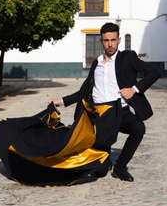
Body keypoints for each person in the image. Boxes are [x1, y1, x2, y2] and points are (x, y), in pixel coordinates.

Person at [53, 22, 160, 182]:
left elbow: (154, 72)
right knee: (99, 171)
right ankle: (102, 159)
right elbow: (85, 90)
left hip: (120, 112)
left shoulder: (127, 57)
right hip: (99, 116)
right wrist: (62, 101)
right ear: (101, 41)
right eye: (106, 40)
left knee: (138, 128)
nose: (110, 44)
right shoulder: (96, 63)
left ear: (118, 40)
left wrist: (134, 89)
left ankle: (120, 167)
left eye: (113, 40)